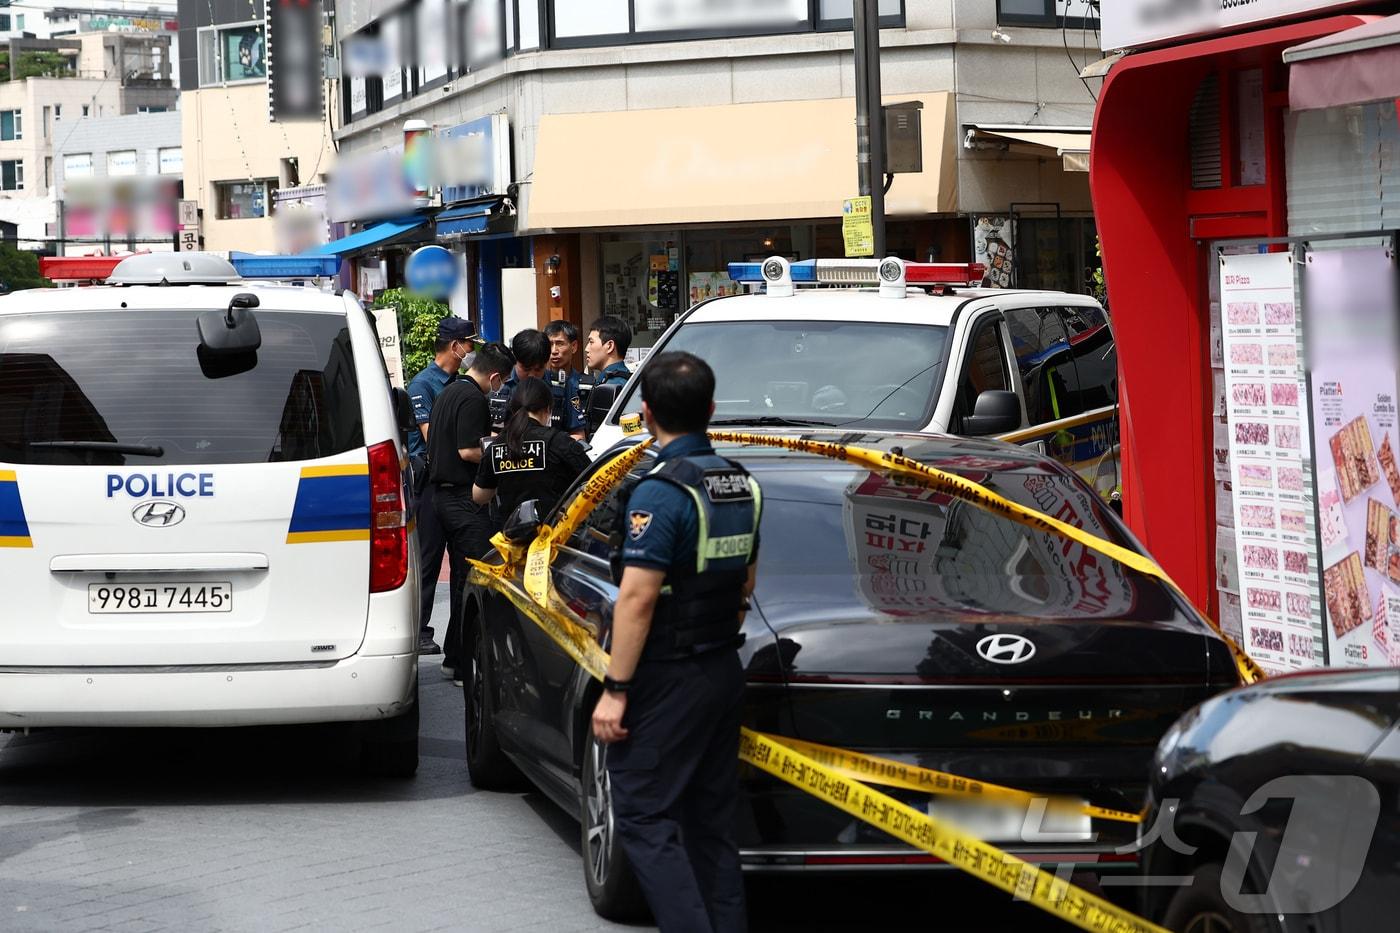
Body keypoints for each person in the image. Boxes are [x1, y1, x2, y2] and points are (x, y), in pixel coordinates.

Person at [590, 352, 760, 933]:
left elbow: (637, 599)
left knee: (641, 813)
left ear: (645, 412)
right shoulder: (741, 483)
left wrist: (616, 689)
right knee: (710, 823)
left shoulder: (661, 492)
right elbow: (746, 580)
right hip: (721, 666)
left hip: (668, 675)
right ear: (711, 410)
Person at [427, 341, 516, 686]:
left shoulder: (450, 392)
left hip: (444, 499)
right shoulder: (473, 398)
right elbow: (467, 451)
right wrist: (503, 455)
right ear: (495, 376)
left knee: (464, 580)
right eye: (503, 381)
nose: (501, 388)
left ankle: (454, 657)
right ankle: (465, 664)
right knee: (472, 584)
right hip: (463, 501)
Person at [406, 316, 476, 655]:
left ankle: (458, 640)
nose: (472, 350)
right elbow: (432, 439)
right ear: (455, 346)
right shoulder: (423, 385)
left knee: (463, 562)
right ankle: (419, 630)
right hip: (431, 484)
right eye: (469, 344)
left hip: (459, 483)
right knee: (430, 560)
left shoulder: (459, 383)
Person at [472, 377, 591, 519]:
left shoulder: (497, 445)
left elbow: (479, 496)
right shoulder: (559, 442)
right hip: (553, 533)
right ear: (548, 409)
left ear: (513, 409)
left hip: (510, 535)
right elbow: (593, 483)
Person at [491, 329, 551, 430]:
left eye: (538, 370)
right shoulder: (499, 384)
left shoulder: (559, 386)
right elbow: (492, 433)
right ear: (515, 361)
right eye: (526, 369)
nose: (532, 375)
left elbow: (576, 432)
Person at [544, 320, 588, 441]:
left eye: (559, 344)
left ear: (573, 346)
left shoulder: (586, 384)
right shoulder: (539, 383)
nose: (554, 351)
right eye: (550, 344)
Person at [585, 315, 633, 387]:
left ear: (610, 346)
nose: (586, 349)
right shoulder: (625, 379)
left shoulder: (612, 386)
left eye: (591, 342)